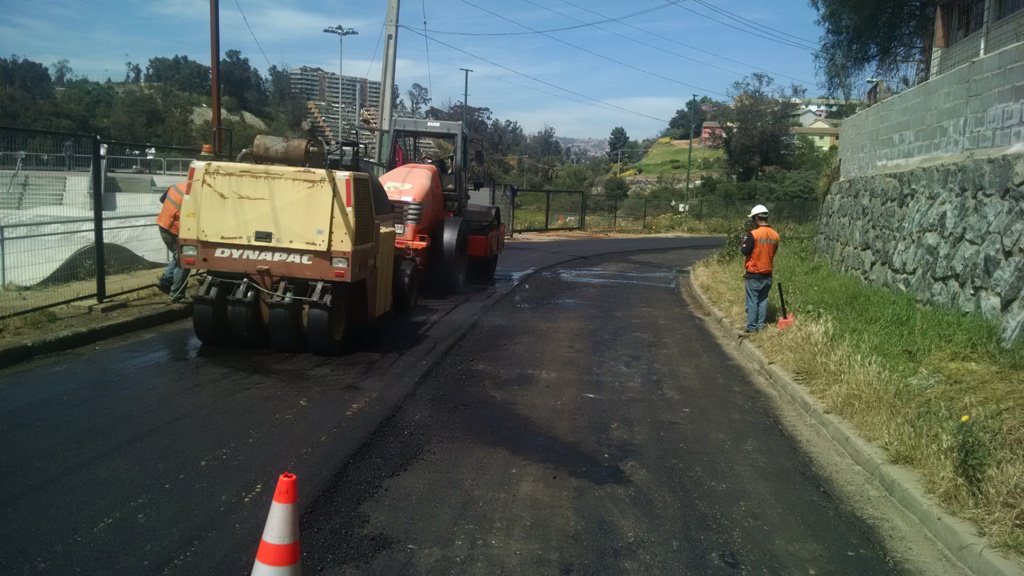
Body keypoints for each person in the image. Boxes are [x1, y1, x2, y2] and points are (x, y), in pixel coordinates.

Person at [740, 204, 779, 332]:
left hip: (754, 274)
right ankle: (760, 326)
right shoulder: (775, 235)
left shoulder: (753, 234)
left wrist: (743, 242)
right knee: (763, 301)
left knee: (752, 302)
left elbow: (745, 251)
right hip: (767, 274)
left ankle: (751, 327)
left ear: (756, 218)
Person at [156, 182, 187, 299]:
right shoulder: (195, 194)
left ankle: (166, 281)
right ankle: (176, 294)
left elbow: (162, 200)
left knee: (178, 254)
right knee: (184, 261)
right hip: (174, 230)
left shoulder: (176, 186)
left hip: (163, 225)